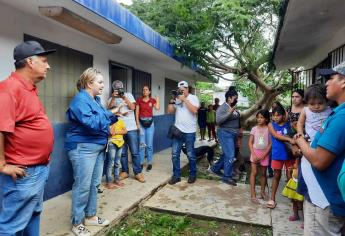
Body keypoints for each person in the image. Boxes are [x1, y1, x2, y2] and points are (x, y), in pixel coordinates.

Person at [0, 41, 55, 236]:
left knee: (33, 214)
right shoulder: (9, 89)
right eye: (44, 61)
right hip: (23, 172)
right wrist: (2, 164)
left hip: (38, 169)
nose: (48, 66)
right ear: (30, 62)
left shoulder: (29, 88)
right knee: (11, 226)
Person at [65, 68, 119, 236]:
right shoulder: (80, 100)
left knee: (94, 184)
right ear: (89, 83)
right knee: (83, 186)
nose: (103, 85)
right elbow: (93, 123)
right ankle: (77, 222)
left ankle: (90, 216)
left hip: (97, 147)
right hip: (83, 148)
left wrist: (114, 113)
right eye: (100, 82)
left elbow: (104, 117)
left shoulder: (95, 100)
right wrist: (110, 113)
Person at [294, 63, 345, 235]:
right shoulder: (337, 113)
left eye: (331, 78)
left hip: (324, 198)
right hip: (325, 194)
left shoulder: (341, 118)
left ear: (343, 82)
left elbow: (319, 161)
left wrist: (300, 141)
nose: (327, 84)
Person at [108, 80, 145, 183]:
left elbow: (133, 107)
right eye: (116, 89)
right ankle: (125, 171)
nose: (119, 90)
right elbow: (109, 110)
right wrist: (114, 98)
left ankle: (138, 172)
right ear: (113, 89)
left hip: (131, 128)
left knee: (135, 152)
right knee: (122, 153)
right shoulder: (112, 98)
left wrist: (124, 97)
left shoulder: (128, 95)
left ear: (123, 88)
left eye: (120, 88)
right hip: (120, 129)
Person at [167, 81, 200, 184]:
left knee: (190, 154)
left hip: (190, 132)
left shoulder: (193, 98)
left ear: (187, 89)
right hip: (178, 130)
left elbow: (194, 111)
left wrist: (184, 99)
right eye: (179, 90)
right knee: (175, 154)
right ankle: (176, 176)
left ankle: (193, 174)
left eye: (183, 89)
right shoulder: (177, 98)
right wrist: (172, 100)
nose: (181, 91)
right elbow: (170, 111)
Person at [209, 86, 240, 186]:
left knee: (226, 154)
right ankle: (227, 177)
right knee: (230, 155)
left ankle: (215, 168)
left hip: (233, 134)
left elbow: (236, 120)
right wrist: (229, 112)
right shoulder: (223, 108)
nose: (237, 100)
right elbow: (219, 121)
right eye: (235, 98)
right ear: (229, 98)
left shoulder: (232, 107)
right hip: (225, 134)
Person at [266, 105, 295, 209]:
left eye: (278, 115)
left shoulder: (289, 124)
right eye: (273, 115)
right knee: (276, 175)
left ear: (283, 115)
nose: (275, 118)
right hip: (277, 154)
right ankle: (272, 198)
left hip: (289, 154)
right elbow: (276, 136)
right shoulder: (271, 125)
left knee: (291, 176)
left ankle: (294, 199)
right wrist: (289, 139)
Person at [248, 110, 271, 204]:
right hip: (255, 152)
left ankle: (262, 192)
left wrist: (264, 154)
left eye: (261, 117)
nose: (259, 119)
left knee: (263, 174)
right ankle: (253, 194)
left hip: (264, 154)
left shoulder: (269, 129)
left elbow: (270, 144)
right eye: (258, 117)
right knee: (254, 172)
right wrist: (253, 154)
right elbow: (250, 142)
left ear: (266, 119)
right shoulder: (254, 129)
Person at [136, 85, 160, 171]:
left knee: (149, 145)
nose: (145, 91)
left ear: (149, 92)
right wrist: (137, 123)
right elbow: (137, 112)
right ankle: (141, 162)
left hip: (150, 124)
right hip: (141, 124)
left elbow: (157, 108)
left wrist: (157, 99)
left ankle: (149, 163)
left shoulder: (152, 100)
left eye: (146, 90)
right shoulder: (139, 100)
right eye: (143, 90)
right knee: (142, 145)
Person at [105, 117, 127, 189]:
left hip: (120, 143)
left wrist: (117, 132)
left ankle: (116, 180)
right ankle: (109, 182)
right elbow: (111, 133)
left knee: (117, 163)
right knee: (111, 163)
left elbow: (125, 131)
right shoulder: (109, 122)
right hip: (112, 143)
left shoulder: (121, 121)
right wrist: (114, 123)